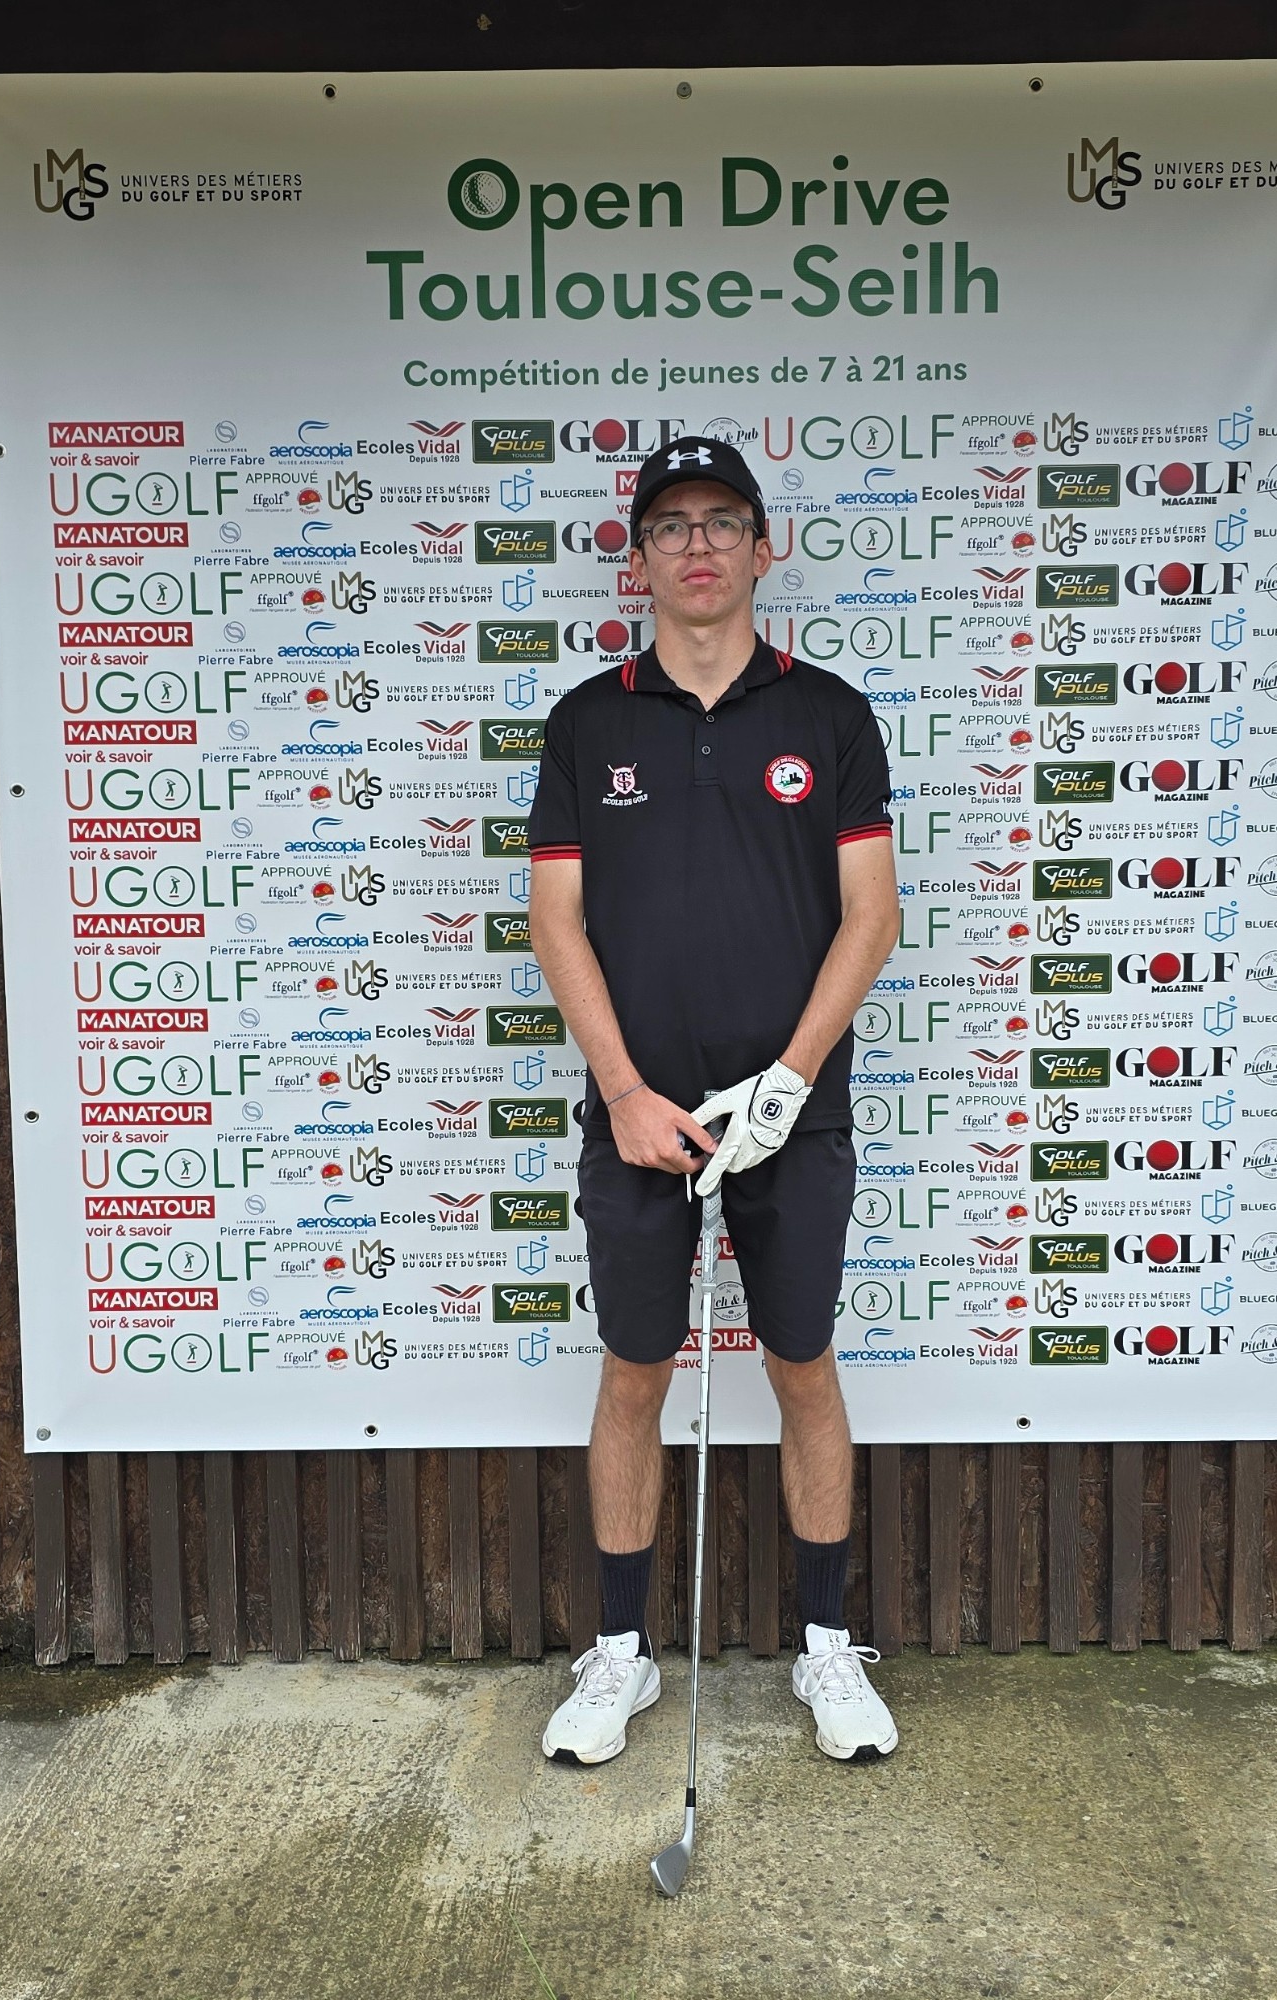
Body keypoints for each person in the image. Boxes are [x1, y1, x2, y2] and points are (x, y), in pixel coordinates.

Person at [527, 436, 901, 1767]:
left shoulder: (829, 715)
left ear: (762, 548)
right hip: (641, 1123)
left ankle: (825, 1646)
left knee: (802, 1366)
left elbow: (871, 917)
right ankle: (620, 1656)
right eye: (671, 524)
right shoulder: (588, 721)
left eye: (722, 521)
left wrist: (790, 1083)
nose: (697, 545)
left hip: (791, 1116)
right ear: (636, 558)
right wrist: (625, 1090)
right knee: (635, 1373)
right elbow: (556, 922)